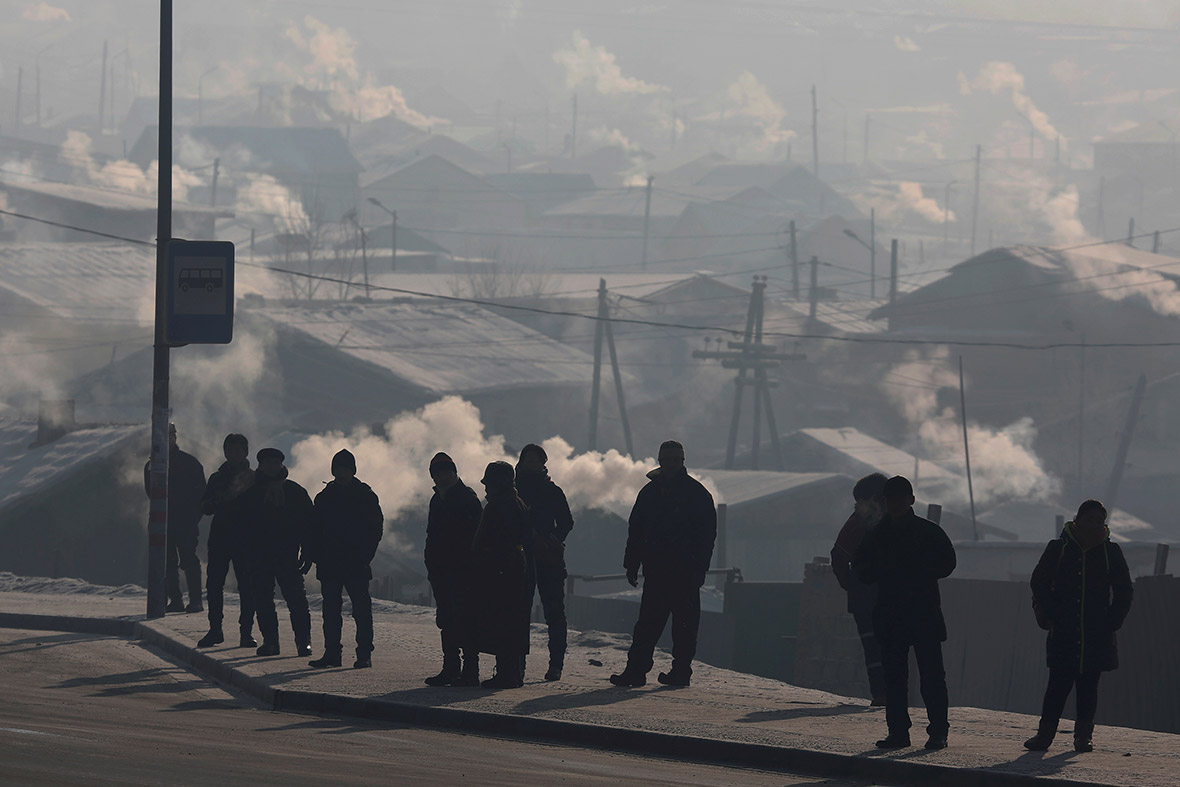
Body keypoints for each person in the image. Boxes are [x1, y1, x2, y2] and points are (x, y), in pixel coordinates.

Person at [853, 476, 956, 750]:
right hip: (894, 615)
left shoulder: (927, 532)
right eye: (892, 498)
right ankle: (899, 733)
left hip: (921, 614)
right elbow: (860, 566)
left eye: (900, 498)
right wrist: (884, 572)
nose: (896, 503)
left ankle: (937, 732)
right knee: (896, 680)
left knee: (931, 678)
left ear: (911, 500)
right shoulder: (878, 534)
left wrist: (915, 572)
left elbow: (947, 563)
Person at [1024, 499, 1133, 753]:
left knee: (1088, 687)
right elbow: (1038, 582)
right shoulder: (1058, 548)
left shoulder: (1110, 552)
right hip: (1063, 630)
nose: (1095, 525)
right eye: (1090, 519)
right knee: (1057, 686)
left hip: (1096, 634)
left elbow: (1124, 591)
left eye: (1100, 520)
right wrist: (1053, 613)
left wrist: (1112, 621)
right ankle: (1045, 736)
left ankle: (1083, 737)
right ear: (1077, 520)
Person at [611, 440, 716, 688]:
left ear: (682, 461)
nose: (669, 464)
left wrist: (698, 569)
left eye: (674, 459)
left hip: (684, 573)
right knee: (648, 626)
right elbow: (636, 531)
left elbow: (706, 538)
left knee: (682, 628)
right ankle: (637, 672)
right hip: (658, 571)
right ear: (660, 460)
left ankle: (679, 673)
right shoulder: (650, 493)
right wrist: (631, 563)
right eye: (666, 459)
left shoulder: (696, 494)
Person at [308, 450, 384, 670]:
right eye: (339, 468)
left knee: (361, 609)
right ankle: (332, 653)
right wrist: (317, 555)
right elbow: (314, 529)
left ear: (352, 470)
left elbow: (374, 529)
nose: (342, 472)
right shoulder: (324, 497)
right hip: (330, 562)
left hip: (355, 562)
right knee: (331, 610)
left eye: (345, 468)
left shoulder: (365, 495)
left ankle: (364, 654)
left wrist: (364, 555)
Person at [240, 447, 314, 657]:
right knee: (263, 600)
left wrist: (308, 552)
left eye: (275, 463)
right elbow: (243, 526)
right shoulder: (252, 493)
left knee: (296, 600)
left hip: (287, 554)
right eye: (267, 463)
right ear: (261, 466)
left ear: (281, 465)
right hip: (259, 555)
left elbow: (309, 525)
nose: (271, 467)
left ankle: (303, 642)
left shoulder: (295, 492)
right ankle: (271, 642)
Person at [515, 443, 574, 682]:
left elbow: (567, 522)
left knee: (553, 613)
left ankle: (555, 665)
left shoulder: (552, 491)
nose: (533, 465)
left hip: (545, 559)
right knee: (520, 614)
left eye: (536, 461)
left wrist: (552, 540)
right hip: (521, 559)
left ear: (543, 464)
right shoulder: (513, 490)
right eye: (529, 460)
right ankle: (517, 664)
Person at [423, 452, 484, 687]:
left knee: (465, 618)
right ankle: (451, 668)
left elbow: (474, 536)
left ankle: (470, 670)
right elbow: (432, 535)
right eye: (437, 473)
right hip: (441, 569)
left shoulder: (467, 498)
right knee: (447, 618)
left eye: (445, 472)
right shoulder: (437, 499)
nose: (441, 477)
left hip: (463, 570)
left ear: (454, 472)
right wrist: (431, 563)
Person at [830, 473, 889, 706]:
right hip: (887, 597)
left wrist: (852, 585)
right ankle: (889, 695)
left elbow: (838, 557)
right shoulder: (896, 520)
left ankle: (882, 695)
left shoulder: (857, 522)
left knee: (873, 648)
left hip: (866, 598)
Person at [471, 460, 530, 689]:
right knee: (510, 623)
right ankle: (510, 672)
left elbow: (498, 542)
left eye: (490, 484)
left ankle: (507, 674)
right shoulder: (515, 503)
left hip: (501, 571)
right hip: (511, 569)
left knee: (504, 623)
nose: (486, 489)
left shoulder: (500, 506)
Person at [197, 433, 258, 648]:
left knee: (247, 587)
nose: (233, 454)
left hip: (245, 539)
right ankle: (215, 630)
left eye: (237, 450)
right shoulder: (217, 478)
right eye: (229, 450)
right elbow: (204, 507)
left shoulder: (253, 478)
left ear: (245, 452)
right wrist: (216, 501)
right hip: (221, 538)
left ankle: (246, 632)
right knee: (214, 585)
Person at [143, 423, 206, 614]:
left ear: (174, 437)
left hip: (184, 521)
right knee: (166, 562)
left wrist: (192, 518)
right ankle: (175, 599)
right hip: (163, 522)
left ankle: (195, 600)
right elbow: (151, 494)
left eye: (167, 436)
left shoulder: (189, 463)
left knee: (188, 560)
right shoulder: (152, 465)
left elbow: (201, 496)